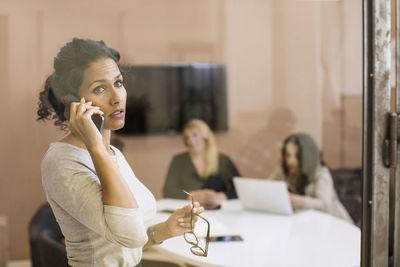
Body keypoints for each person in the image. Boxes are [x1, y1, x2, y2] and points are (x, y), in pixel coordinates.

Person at [37, 38, 203, 267]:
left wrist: (165, 229)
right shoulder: (61, 161)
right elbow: (130, 234)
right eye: (100, 88)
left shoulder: (112, 153)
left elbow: (122, 243)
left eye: (118, 83)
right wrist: (95, 145)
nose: (117, 98)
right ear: (72, 102)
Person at [268, 133, 353, 223]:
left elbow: (324, 204)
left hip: (333, 222)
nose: (291, 161)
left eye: (297, 156)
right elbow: (268, 186)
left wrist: (294, 199)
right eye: (288, 155)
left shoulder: (321, 173)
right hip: (305, 222)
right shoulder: (284, 169)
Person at [163, 119, 241, 209]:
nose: (191, 140)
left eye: (195, 135)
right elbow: (168, 191)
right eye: (187, 137)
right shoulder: (178, 160)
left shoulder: (223, 160)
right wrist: (192, 196)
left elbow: (241, 189)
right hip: (189, 211)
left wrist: (220, 196)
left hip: (219, 212)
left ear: (205, 137)